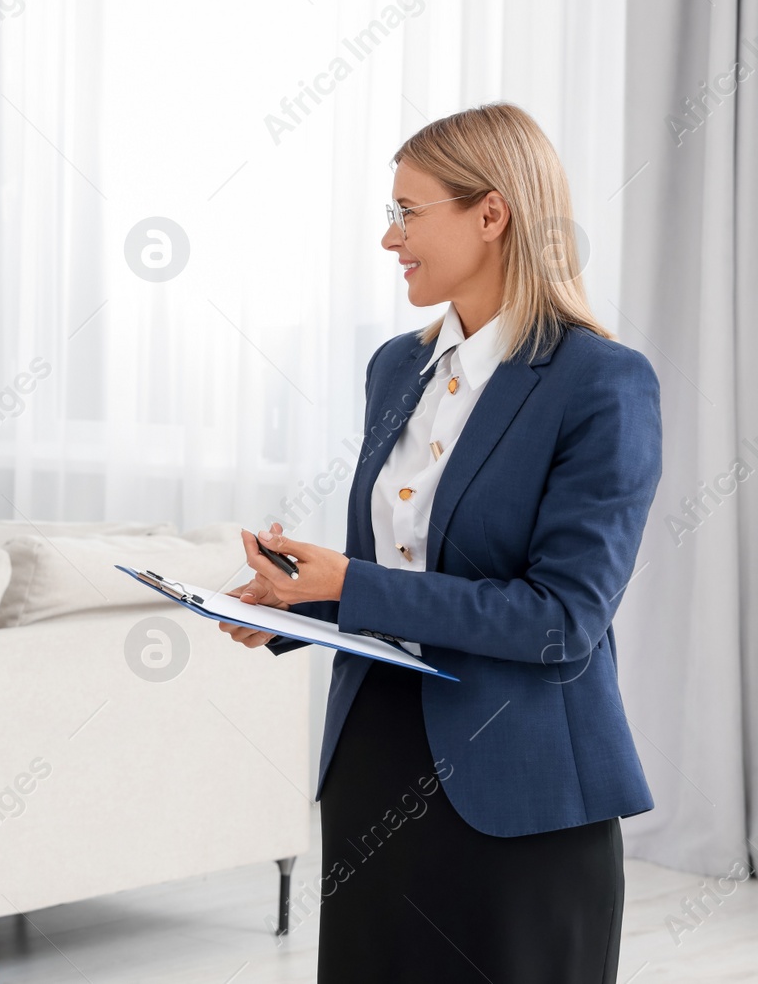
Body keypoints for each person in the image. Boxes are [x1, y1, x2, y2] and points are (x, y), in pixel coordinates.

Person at [221, 103, 661, 983]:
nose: (390, 240)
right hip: (375, 762)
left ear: (490, 214)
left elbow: (563, 618)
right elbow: (383, 574)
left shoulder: (600, 383)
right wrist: (294, 603)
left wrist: (348, 584)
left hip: (522, 787)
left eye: (406, 212)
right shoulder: (395, 365)